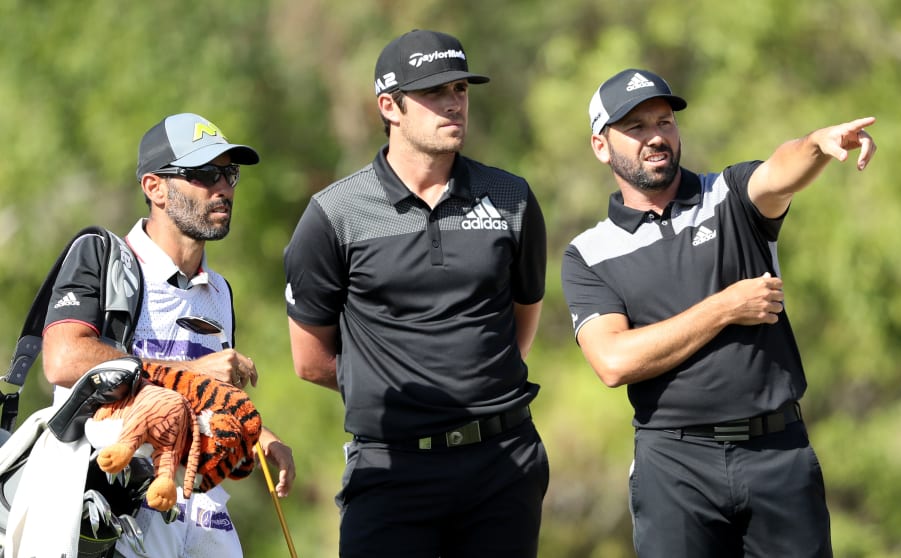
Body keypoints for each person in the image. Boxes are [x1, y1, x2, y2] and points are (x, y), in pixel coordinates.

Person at [560, 68, 877, 557]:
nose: (656, 137)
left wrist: (816, 144)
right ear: (601, 146)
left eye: (664, 122)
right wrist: (726, 307)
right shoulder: (589, 253)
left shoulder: (729, 195)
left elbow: (780, 170)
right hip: (675, 466)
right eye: (636, 127)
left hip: (777, 453)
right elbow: (614, 362)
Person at [283, 29, 549, 558]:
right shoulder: (334, 214)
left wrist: (474, 387)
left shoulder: (511, 197)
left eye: (460, 89)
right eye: (434, 92)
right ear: (390, 106)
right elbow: (310, 360)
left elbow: (522, 320)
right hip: (391, 470)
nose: (454, 103)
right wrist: (397, 395)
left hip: (504, 463)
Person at [40, 112, 296, 557]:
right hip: (114, 510)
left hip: (200, 508)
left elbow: (205, 398)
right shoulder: (103, 258)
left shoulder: (220, 291)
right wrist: (193, 370)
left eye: (230, 174)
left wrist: (261, 437)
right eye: (205, 174)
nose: (223, 188)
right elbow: (62, 360)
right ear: (154, 187)